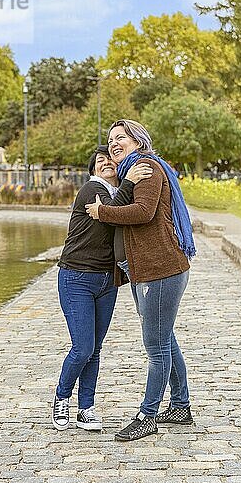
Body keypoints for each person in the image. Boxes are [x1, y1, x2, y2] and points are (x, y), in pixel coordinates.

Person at [86, 119, 196, 442]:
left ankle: (147, 415)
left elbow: (143, 212)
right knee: (165, 338)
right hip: (145, 270)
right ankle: (180, 405)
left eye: (121, 137)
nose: (114, 143)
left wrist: (102, 211)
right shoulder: (129, 173)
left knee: (156, 345)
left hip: (160, 270)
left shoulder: (146, 167)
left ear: (138, 140)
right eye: (110, 140)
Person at [52, 145, 153, 432]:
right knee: (82, 347)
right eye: (100, 160)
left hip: (107, 281)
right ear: (93, 170)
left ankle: (86, 409)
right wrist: (130, 180)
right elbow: (112, 212)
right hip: (77, 277)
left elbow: (132, 213)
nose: (106, 162)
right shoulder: (90, 190)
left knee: (95, 349)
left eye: (110, 158)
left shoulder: (122, 191)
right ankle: (62, 396)